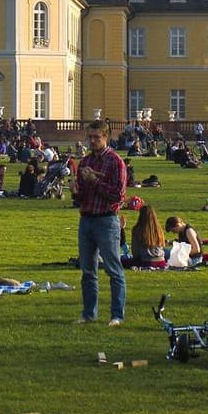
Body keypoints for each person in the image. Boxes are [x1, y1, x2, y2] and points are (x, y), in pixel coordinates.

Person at [73, 120, 130, 326]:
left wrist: (94, 181)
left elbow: (118, 196)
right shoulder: (86, 162)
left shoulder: (115, 162)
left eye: (97, 137)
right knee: (88, 271)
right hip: (86, 219)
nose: (93, 141)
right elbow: (81, 198)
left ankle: (117, 315)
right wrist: (76, 192)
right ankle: (89, 313)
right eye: (90, 137)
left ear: (106, 137)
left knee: (113, 269)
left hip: (106, 220)